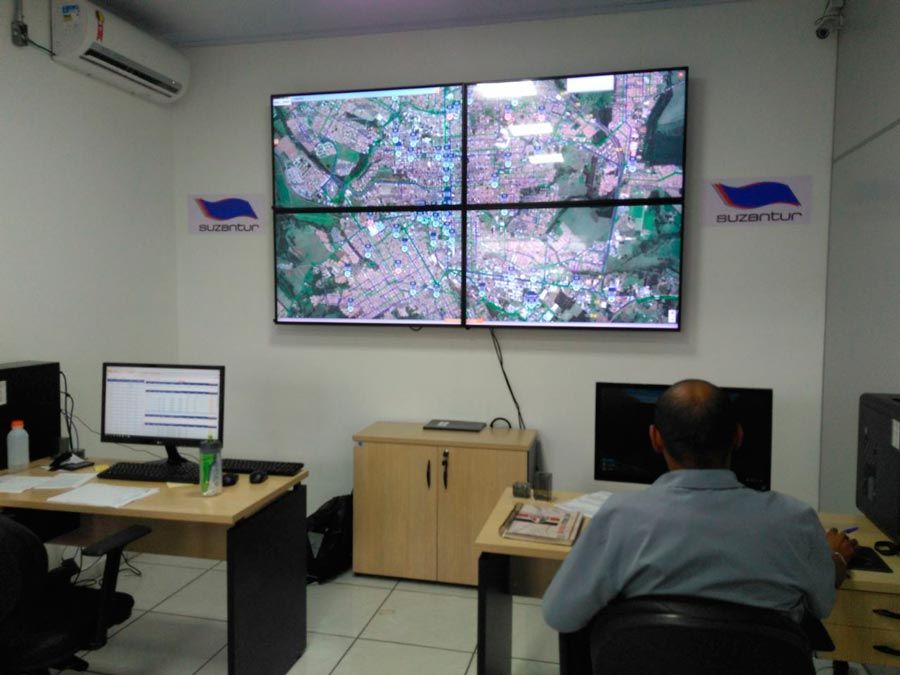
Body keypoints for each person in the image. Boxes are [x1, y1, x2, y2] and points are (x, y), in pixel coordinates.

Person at [542, 379, 857, 633]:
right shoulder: (795, 520)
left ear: (655, 439)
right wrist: (836, 558)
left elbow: (560, 615)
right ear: (738, 436)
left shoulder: (620, 517)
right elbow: (823, 604)